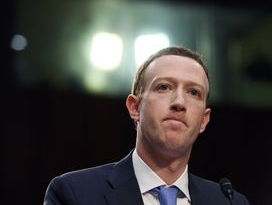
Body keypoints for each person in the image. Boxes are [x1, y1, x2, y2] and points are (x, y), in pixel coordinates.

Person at [43, 46, 250, 205]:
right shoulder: (75, 194)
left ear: (204, 120)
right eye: (164, 87)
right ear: (135, 107)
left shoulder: (229, 202)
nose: (179, 102)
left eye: (193, 92)